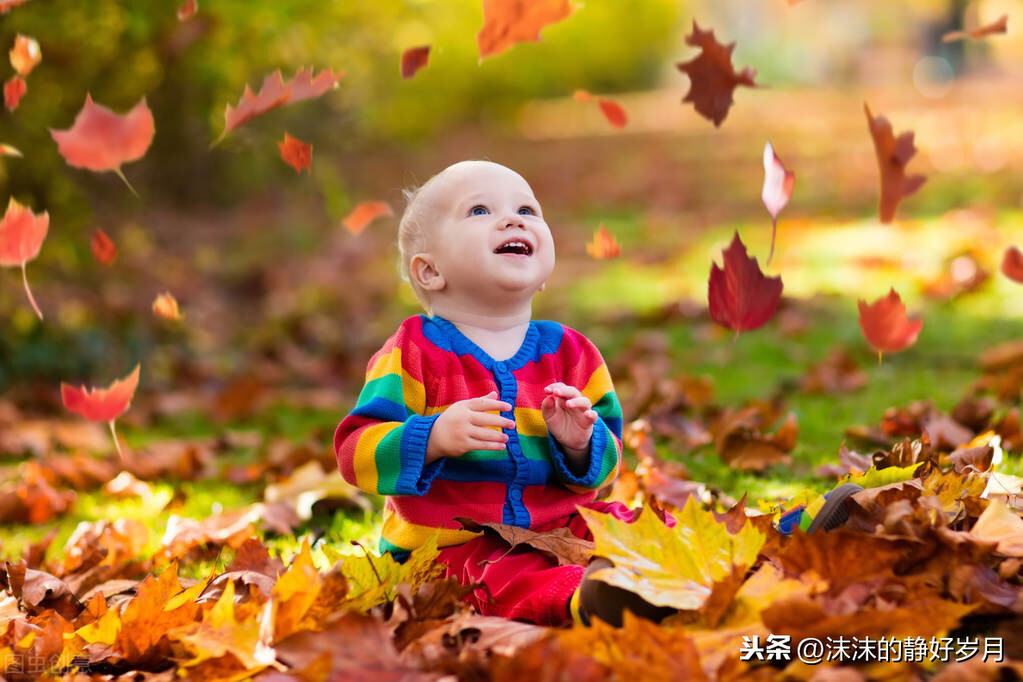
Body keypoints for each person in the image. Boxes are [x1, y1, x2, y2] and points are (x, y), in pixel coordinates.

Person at [334, 160, 669, 626]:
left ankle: (749, 553)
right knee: (500, 575)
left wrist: (579, 445)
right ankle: (598, 599)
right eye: (479, 211)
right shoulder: (414, 352)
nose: (514, 219)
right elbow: (355, 452)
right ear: (429, 271)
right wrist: (429, 437)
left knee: (632, 524)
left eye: (527, 209)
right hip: (452, 548)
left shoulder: (572, 353)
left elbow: (607, 466)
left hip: (564, 526)